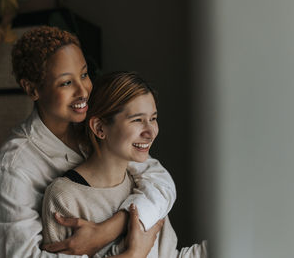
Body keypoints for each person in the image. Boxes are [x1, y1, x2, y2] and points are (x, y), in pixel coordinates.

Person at [0, 26, 176, 258]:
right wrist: (132, 255)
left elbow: (160, 181)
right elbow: (21, 255)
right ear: (32, 89)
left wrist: (110, 228)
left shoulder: (96, 123)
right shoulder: (15, 163)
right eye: (66, 83)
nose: (83, 91)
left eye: (84, 74)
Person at [42, 71, 208, 258]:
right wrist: (134, 254)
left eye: (153, 118)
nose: (151, 132)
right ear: (99, 128)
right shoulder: (64, 197)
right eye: (137, 120)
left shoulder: (145, 186)